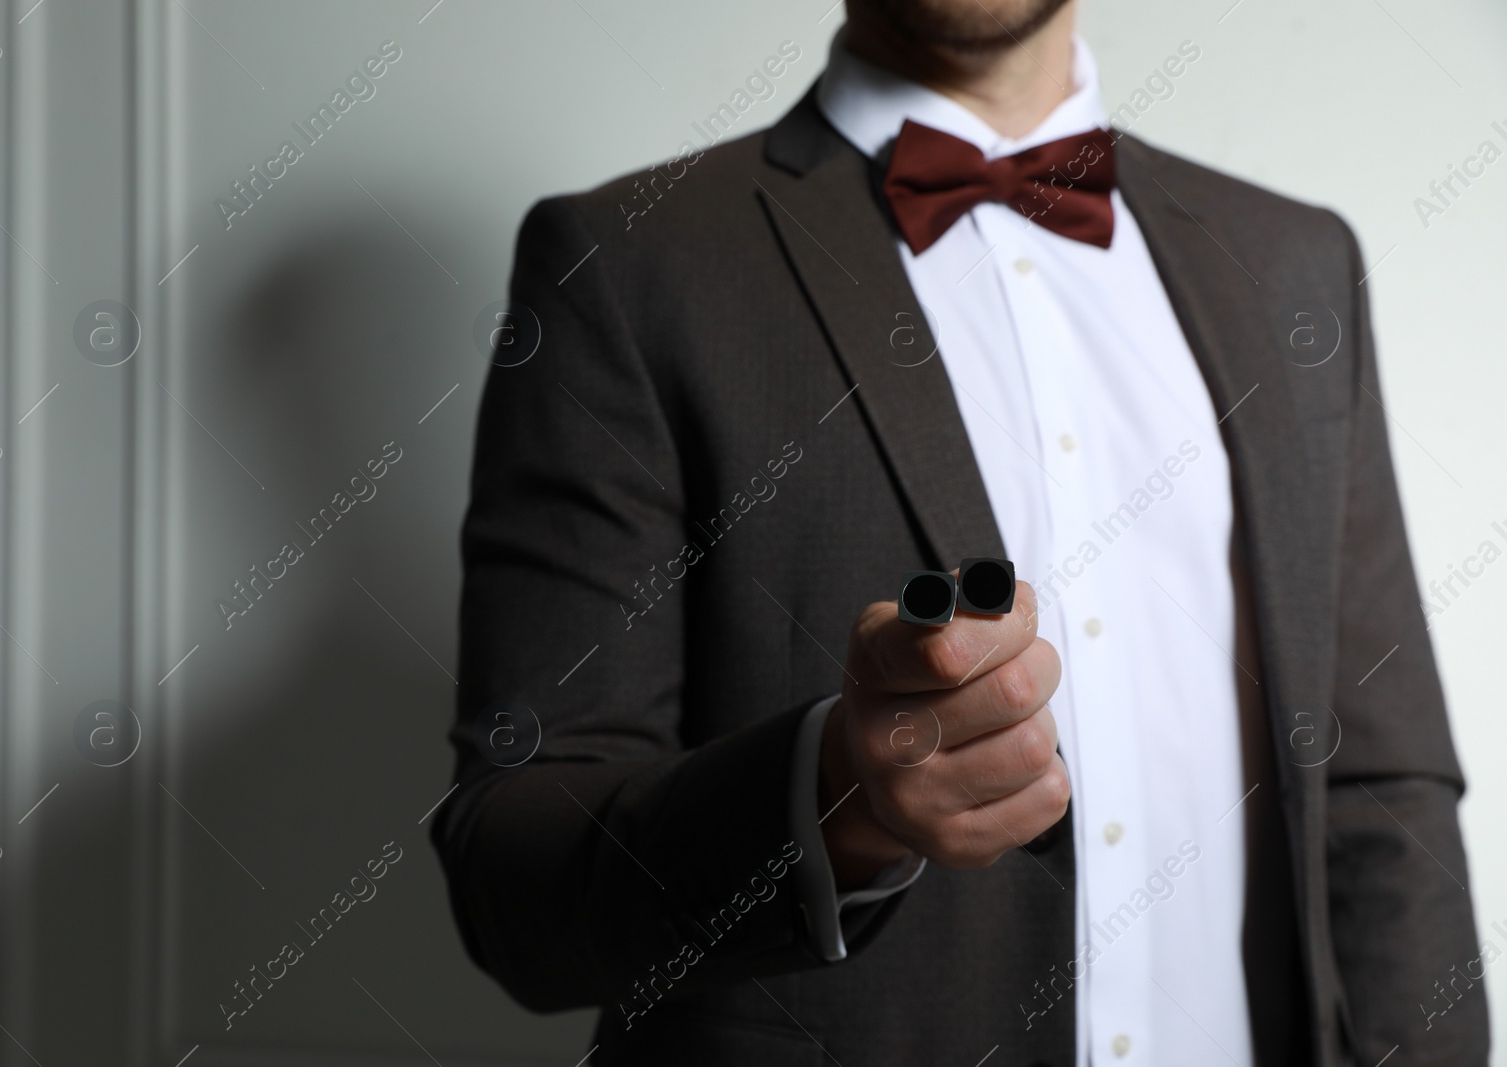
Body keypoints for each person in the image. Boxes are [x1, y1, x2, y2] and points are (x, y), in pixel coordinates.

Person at [435, 1, 1487, 1063]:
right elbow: (510, 879)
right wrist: (829, 792)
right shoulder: (623, 264)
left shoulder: (1293, 260)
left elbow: (1376, 786)